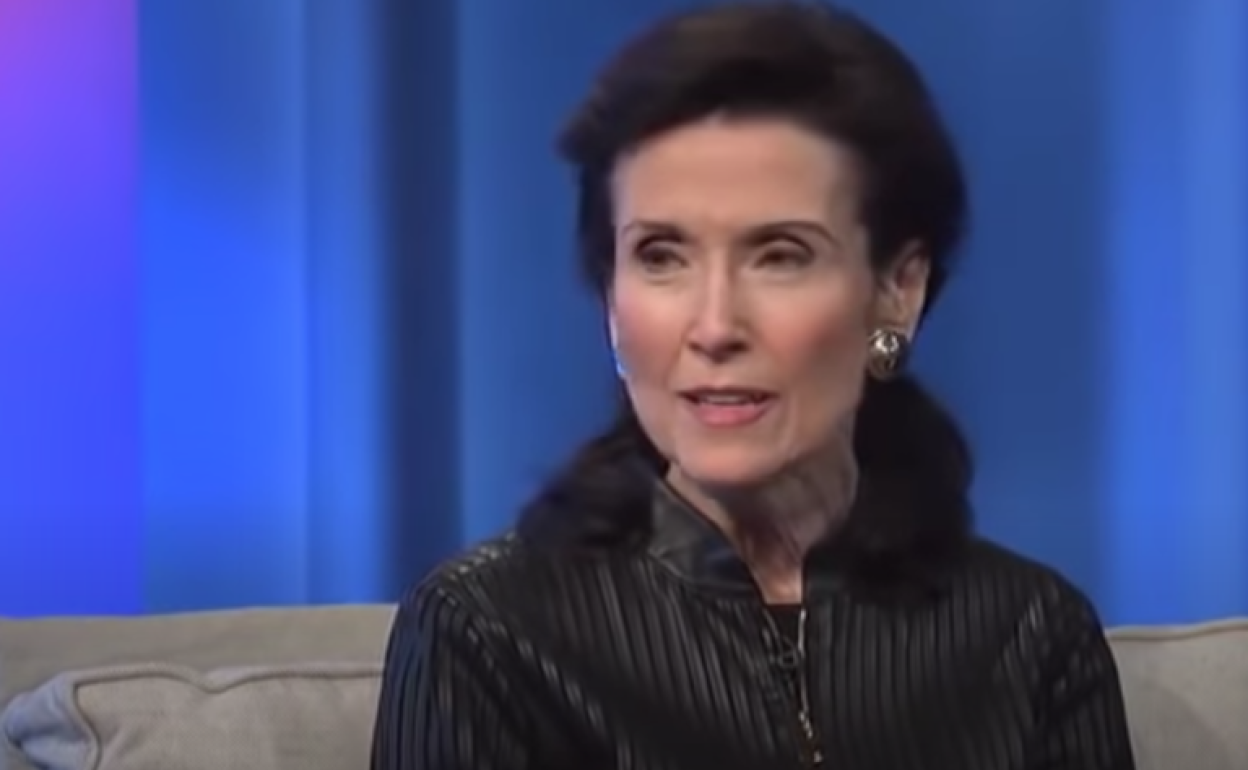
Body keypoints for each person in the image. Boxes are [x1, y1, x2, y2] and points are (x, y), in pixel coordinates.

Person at [371, 3, 1136, 769]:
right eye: (662, 256)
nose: (714, 327)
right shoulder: (490, 635)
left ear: (896, 291)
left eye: (779, 255)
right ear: (610, 297)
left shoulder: (1028, 639)